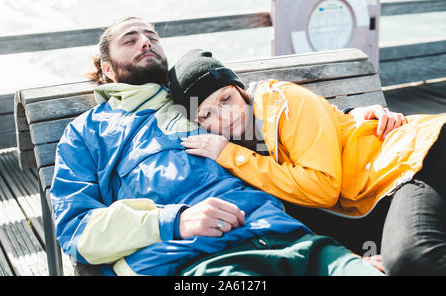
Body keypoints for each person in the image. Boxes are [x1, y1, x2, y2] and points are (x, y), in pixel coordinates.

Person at [50, 17, 386, 276]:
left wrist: (351, 118)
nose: (145, 42)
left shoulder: (193, 98)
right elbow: (76, 229)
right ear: (107, 69)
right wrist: (174, 221)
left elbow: (268, 115)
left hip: (290, 237)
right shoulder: (87, 132)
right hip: (197, 259)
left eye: (152, 36)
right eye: (131, 39)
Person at [172, 49, 446, 275]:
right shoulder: (238, 155)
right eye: (207, 114)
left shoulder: (280, 102)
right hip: (380, 194)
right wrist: (351, 257)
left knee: (413, 260)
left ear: (239, 89)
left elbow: (323, 187)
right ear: (200, 124)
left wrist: (231, 155)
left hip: (417, 157)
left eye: (226, 99)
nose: (224, 115)